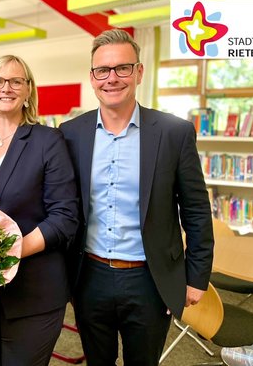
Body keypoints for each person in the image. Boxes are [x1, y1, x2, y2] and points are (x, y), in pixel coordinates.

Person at [59, 29, 214, 365]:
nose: (112, 78)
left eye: (122, 68)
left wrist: (197, 277)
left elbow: (197, 211)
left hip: (150, 278)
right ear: (92, 77)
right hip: (89, 277)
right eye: (103, 70)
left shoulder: (174, 133)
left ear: (139, 72)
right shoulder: (70, 133)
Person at [0, 55, 79, 366]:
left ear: (27, 89)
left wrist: (2, 253)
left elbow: (64, 217)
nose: (6, 88)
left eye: (15, 81)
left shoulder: (48, 140)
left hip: (33, 292)